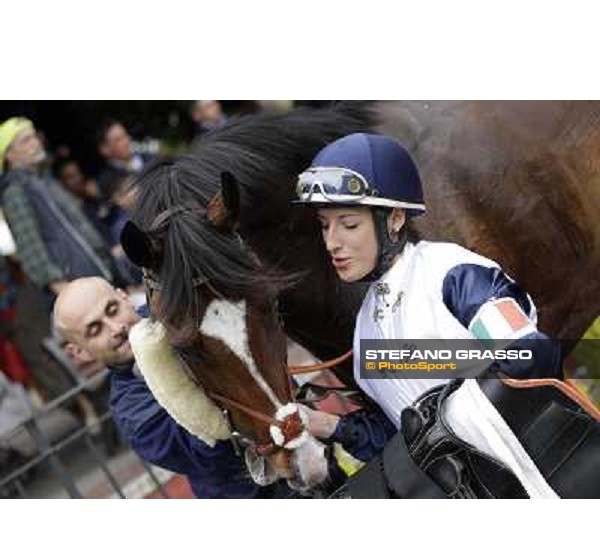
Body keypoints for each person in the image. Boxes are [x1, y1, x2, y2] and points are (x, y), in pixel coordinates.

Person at [292, 133, 564, 498]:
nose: (331, 242)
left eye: (348, 223)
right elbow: (403, 446)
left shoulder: (452, 272)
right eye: (325, 225)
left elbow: (532, 355)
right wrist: (328, 426)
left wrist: (433, 393)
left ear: (396, 218)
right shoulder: (364, 328)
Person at [53, 276, 293, 498]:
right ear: (79, 352)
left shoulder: (179, 313)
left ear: (124, 297)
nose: (116, 329)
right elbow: (214, 452)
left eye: (112, 310)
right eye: (95, 329)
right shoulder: (132, 412)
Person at [0, 117, 114, 305]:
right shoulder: (15, 190)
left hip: (93, 275)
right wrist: (63, 290)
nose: (36, 143)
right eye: (25, 140)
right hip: (74, 292)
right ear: (9, 155)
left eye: (34, 136)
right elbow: (30, 250)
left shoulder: (43, 179)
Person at [96, 120, 154, 200]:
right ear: (105, 149)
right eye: (118, 140)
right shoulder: (107, 180)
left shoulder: (151, 159)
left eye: (125, 135)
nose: (126, 141)